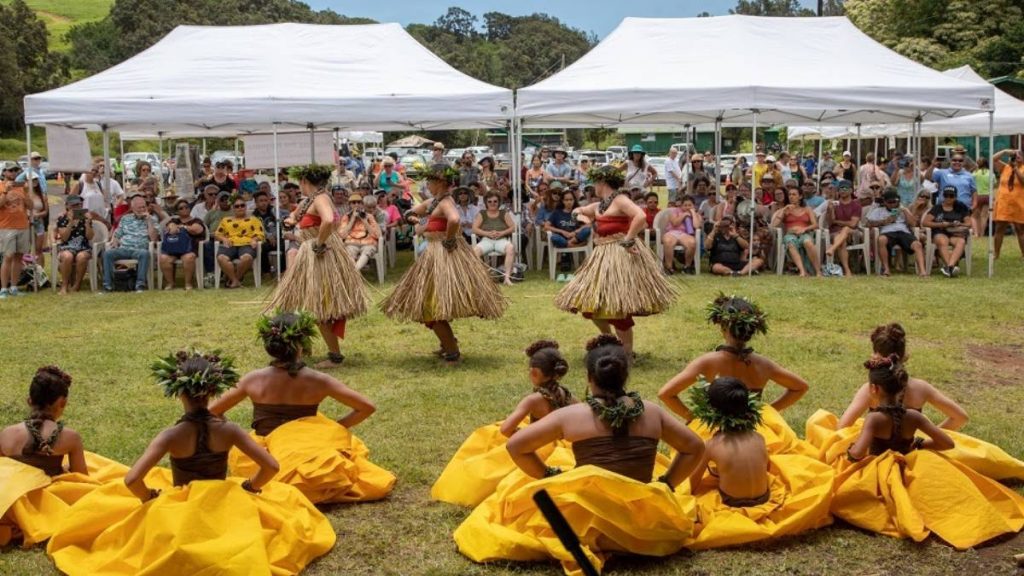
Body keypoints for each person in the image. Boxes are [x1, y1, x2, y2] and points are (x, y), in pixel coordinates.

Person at [47, 350, 335, 575]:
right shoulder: (229, 429)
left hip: (180, 503)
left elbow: (131, 479)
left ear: (178, 392)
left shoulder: (172, 434)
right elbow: (271, 466)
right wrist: (250, 486)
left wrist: (148, 497)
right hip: (224, 499)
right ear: (212, 392)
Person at [455, 335, 705, 575]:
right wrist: (667, 484)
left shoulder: (572, 416)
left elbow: (515, 445)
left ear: (589, 378)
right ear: (624, 376)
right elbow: (695, 447)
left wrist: (548, 475)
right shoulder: (651, 412)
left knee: (512, 492)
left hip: (584, 520)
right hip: (642, 523)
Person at [816, 354, 1024, 550]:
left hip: (879, 471)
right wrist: (920, 444)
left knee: (839, 493)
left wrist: (849, 451)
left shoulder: (874, 418)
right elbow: (947, 443)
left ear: (873, 389)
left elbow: (859, 453)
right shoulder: (914, 416)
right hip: (910, 464)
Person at [208, 311, 396, 504]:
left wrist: (231, 432)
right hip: (310, 448)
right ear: (302, 345)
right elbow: (367, 407)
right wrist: (334, 427)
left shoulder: (253, 379)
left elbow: (212, 412)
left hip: (268, 457)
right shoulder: (318, 380)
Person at [806, 322, 1024, 482]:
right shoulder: (920, 389)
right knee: (981, 456)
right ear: (903, 354)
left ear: (876, 357)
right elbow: (960, 417)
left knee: (820, 424)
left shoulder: (870, 390)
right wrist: (919, 438)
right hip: (910, 442)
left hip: (878, 448)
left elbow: (843, 426)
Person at [682, 377, 834, 550]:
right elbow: (767, 469)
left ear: (711, 411)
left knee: (692, 494)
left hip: (732, 502)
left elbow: (691, 485)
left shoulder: (711, 445)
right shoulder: (759, 438)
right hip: (765, 497)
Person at [380, 166, 507, 363]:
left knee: (432, 304)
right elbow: (410, 212)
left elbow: (454, 219)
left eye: (430, 182)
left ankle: (452, 351)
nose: (427, 185)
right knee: (430, 303)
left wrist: (448, 239)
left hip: (442, 254)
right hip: (432, 255)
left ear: (441, 183)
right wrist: (415, 220)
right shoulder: (433, 202)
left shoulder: (446, 202)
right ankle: (447, 343)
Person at [659, 295, 813, 456]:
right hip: (755, 430)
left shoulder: (707, 363)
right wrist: (769, 410)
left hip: (715, 431)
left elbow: (666, 394)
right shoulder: (763, 364)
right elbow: (800, 387)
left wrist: (693, 417)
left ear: (723, 327)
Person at [432, 340, 577, 507]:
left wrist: (526, 436)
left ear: (534, 372)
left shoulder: (532, 401)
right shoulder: (566, 394)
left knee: (487, 457)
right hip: (565, 445)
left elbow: (506, 429)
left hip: (537, 448)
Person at [0, 366, 131, 547]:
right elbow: (81, 478)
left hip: (11, 504)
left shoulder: (6, 433)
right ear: (62, 402)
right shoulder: (70, 437)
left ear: (29, 400)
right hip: (44, 504)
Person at [555, 165, 676, 358]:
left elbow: (640, 216)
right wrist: (582, 217)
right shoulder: (600, 205)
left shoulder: (620, 200)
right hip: (602, 257)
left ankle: (626, 353)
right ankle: (610, 342)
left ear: (602, 182)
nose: (593, 186)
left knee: (617, 307)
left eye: (595, 182)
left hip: (620, 257)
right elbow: (577, 210)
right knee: (591, 305)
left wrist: (628, 239)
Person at [268, 164, 370, 368]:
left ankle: (335, 356)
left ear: (305, 181)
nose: (299, 186)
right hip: (309, 254)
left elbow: (328, 220)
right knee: (301, 303)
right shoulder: (309, 200)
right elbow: (294, 215)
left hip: (320, 254)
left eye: (300, 183)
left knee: (320, 306)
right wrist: (290, 220)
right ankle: (301, 348)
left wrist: (320, 242)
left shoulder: (321, 198)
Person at [102, 195, 159, 292]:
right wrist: (115, 239)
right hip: (124, 249)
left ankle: (140, 285)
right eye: (139, 207)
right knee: (107, 254)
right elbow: (118, 233)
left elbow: (153, 238)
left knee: (145, 254)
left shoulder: (152, 219)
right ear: (132, 208)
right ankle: (108, 285)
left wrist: (149, 221)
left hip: (139, 250)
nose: (142, 209)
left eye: (144, 207)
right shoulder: (125, 219)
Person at [865, 189, 926, 277]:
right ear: (885, 202)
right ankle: (886, 269)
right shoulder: (879, 210)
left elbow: (913, 223)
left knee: (917, 245)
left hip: (903, 232)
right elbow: (868, 224)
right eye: (890, 202)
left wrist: (905, 211)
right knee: (881, 239)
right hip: (887, 232)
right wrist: (883, 222)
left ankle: (922, 271)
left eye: (895, 201)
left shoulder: (903, 209)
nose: (893, 204)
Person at [772, 184, 822, 277]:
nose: (791, 196)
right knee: (791, 243)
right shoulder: (785, 210)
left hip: (805, 233)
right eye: (790, 194)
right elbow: (774, 225)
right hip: (790, 234)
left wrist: (804, 229)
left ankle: (818, 271)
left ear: (800, 196)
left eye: (794, 194)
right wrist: (783, 210)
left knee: (808, 242)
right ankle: (802, 271)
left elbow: (815, 225)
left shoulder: (807, 209)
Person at [214, 195, 264, 288]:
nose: (240, 207)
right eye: (237, 206)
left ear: (246, 206)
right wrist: (224, 239)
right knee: (221, 258)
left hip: (247, 244)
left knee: (247, 258)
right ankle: (235, 280)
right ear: (233, 208)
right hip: (230, 243)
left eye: (242, 205)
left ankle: (234, 280)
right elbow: (217, 234)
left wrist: (254, 239)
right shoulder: (226, 220)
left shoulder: (254, 219)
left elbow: (260, 234)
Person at [922, 185, 971, 277]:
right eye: (946, 195)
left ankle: (949, 267)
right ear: (943, 196)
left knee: (961, 241)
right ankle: (951, 267)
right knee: (942, 241)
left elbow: (969, 223)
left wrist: (959, 224)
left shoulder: (961, 207)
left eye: (951, 196)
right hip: (940, 231)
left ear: (955, 196)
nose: (948, 198)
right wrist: (941, 224)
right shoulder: (937, 208)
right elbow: (925, 222)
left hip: (954, 232)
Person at [158, 199, 205, 290]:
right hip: (173, 248)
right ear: (177, 211)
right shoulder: (174, 220)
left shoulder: (196, 220)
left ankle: (188, 283)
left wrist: (184, 227)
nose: (184, 209)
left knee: (188, 258)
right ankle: (170, 283)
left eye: (186, 207)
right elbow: (170, 228)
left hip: (189, 248)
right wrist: (173, 227)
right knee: (163, 258)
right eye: (181, 208)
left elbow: (197, 230)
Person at [55, 195, 95, 294]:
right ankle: (64, 286)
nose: (76, 207)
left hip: (83, 247)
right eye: (73, 205)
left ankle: (77, 285)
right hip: (66, 246)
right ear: (67, 206)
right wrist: (70, 223)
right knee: (67, 256)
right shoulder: (62, 219)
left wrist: (87, 223)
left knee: (81, 257)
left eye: (78, 205)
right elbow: (64, 238)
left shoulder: (85, 218)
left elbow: (90, 237)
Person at [824, 179, 863, 276]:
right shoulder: (834, 204)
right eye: (841, 188)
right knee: (842, 241)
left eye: (845, 188)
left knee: (845, 229)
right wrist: (830, 210)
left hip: (852, 233)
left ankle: (832, 248)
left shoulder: (856, 205)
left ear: (851, 190)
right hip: (835, 232)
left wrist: (837, 222)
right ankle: (847, 270)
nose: (843, 190)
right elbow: (830, 222)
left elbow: (853, 224)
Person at [992, 148, 1024, 258]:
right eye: (1016, 154)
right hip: (1003, 203)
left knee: (1020, 229)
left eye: (1020, 154)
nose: (1017, 156)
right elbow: (993, 159)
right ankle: (996, 254)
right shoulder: (1005, 167)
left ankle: (1023, 254)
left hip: (1019, 203)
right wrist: (1005, 151)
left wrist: (1015, 168)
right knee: (999, 228)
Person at [339, 193, 382, 271]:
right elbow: (342, 236)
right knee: (349, 253)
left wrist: (365, 221)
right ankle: (354, 273)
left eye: (359, 202)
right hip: (351, 243)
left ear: (362, 204)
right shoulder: (346, 217)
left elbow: (376, 235)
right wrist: (352, 219)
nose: (356, 205)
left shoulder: (369, 216)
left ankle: (354, 272)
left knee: (367, 252)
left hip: (368, 243)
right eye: (354, 202)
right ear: (350, 205)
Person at [661, 195, 701, 275]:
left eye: (690, 205)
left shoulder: (697, 214)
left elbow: (696, 226)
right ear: (681, 205)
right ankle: (669, 267)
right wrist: (684, 215)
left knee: (692, 243)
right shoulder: (674, 211)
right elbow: (675, 223)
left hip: (685, 234)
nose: (687, 207)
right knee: (668, 242)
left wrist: (693, 213)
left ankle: (687, 267)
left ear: (693, 205)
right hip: (672, 232)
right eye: (685, 205)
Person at [972, 156, 991, 237]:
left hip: (977, 195)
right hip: (987, 196)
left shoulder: (975, 173)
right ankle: (982, 233)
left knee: (974, 216)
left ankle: (976, 233)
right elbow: (993, 183)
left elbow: (971, 183)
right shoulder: (990, 173)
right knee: (984, 216)